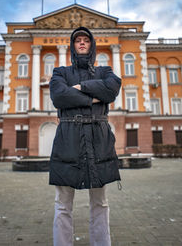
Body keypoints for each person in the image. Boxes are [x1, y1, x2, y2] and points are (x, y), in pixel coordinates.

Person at [49, 26, 121, 246]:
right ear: (72, 46)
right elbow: (59, 95)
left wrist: (80, 87)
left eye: (86, 40)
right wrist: (93, 99)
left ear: (91, 45)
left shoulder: (105, 71)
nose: (81, 43)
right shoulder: (60, 72)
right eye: (77, 40)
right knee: (63, 203)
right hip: (68, 139)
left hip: (99, 140)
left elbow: (112, 88)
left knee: (100, 202)